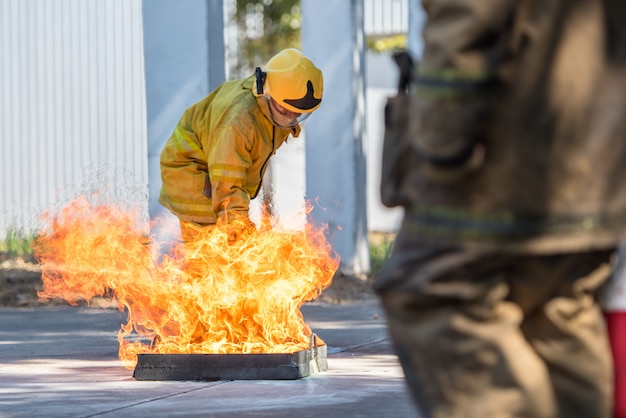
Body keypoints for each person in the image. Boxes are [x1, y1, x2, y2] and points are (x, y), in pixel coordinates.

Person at [376, 1, 626, 417]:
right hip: (595, 156)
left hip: (500, 161)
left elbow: (467, 19)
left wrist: (440, 147)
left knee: (432, 292)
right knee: (558, 311)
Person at [159, 48, 323, 243]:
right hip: (193, 176)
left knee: (226, 253)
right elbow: (227, 184)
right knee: (212, 258)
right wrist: (239, 230)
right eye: (286, 110)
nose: (291, 118)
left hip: (215, 174)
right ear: (267, 92)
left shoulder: (271, 102)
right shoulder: (239, 124)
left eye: (297, 113)